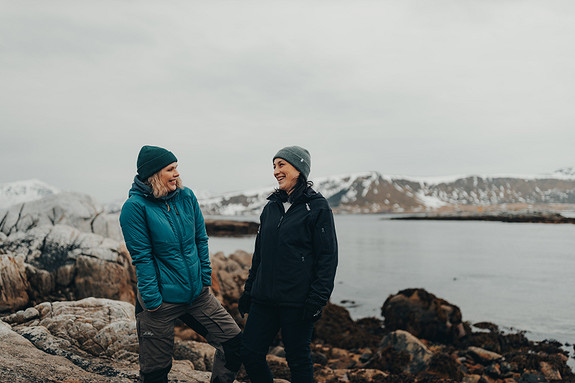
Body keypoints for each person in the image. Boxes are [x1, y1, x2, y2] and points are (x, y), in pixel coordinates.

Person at [119, 145, 241, 383]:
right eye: (170, 169)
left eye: (176, 168)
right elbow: (142, 258)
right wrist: (153, 301)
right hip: (160, 304)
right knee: (156, 372)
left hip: (198, 296)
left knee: (234, 344)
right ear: (154, 174)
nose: (177, 173)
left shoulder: (186, 197)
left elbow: (200, 239)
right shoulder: (134, 208)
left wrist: (205, 278)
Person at [239, 146, 338, 383]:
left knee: (298, 359)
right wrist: (249, 291)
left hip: (297, 301)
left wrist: (318, 299)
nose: (275, 171)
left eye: (281, 164)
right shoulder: (270, 208)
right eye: (274, 166)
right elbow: (259, 255)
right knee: (250, 353)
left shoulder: (317, 207)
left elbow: (328, 257)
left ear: (299, 168)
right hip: (264, 300)